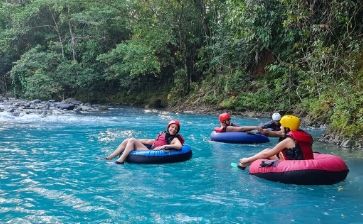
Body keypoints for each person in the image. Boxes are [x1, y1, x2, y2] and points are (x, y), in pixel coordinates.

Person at [238, 115, 314, 169]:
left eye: (282, 125)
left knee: (267, 150)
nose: (280, 127)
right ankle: (244, 164)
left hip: (293, 166)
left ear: (287, 128)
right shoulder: (306, 136)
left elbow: (266, 154)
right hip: (306, 164)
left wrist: (248, 159)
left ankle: (244, 162)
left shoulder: (288, 140)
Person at [103, 120, 184, 164]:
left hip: (151, 152)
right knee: (127, 140)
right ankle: (109, 157)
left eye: (175, 128)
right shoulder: (163, 134)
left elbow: (179, 146)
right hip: (151, 149)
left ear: (177, 131)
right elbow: (148, 141)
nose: (173, 129)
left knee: (132, 140)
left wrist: (164, 146)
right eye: (172, 127)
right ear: (168, 127)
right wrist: (136, 140)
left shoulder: (173, 138)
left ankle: (120, 161)